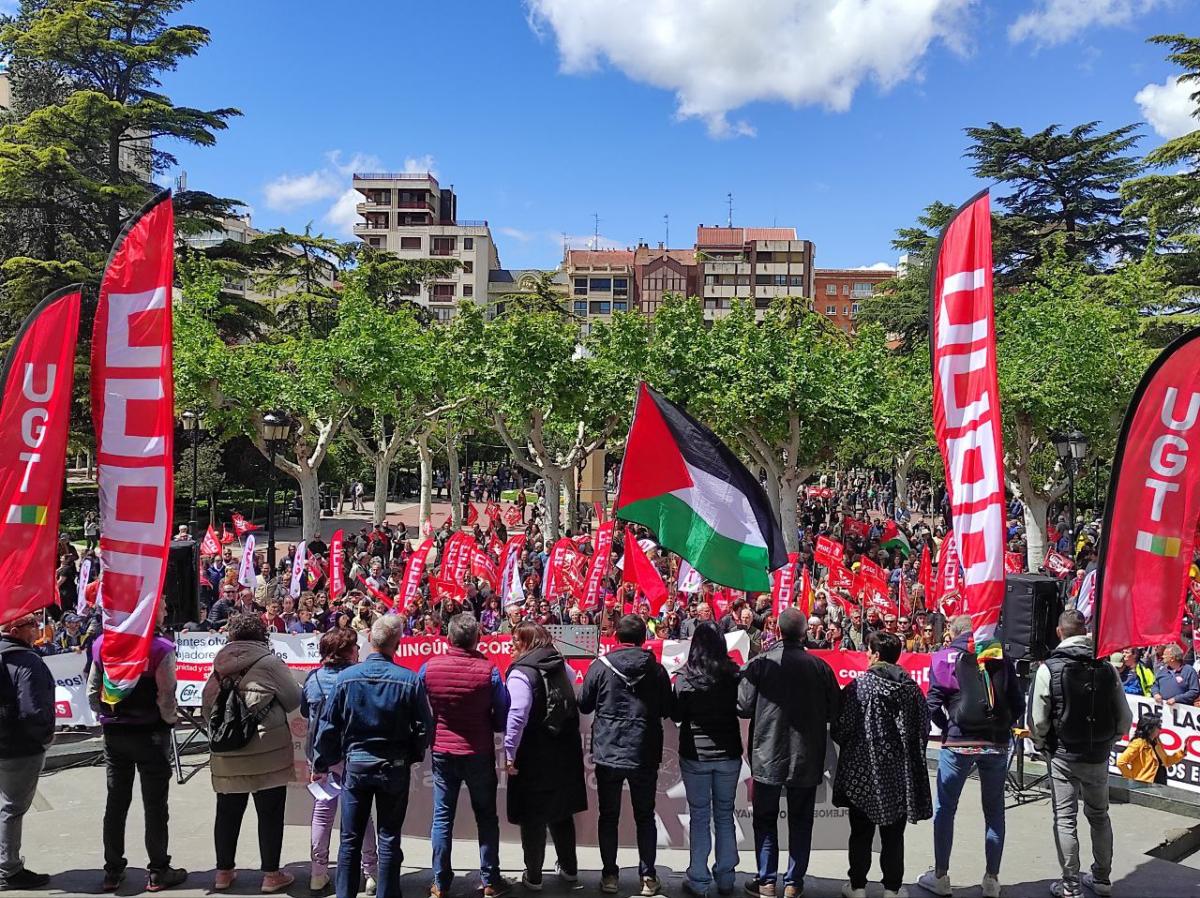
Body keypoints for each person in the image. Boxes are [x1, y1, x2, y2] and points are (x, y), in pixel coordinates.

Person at [314, 615, 432, 898]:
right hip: (393, 766)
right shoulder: (409, 680)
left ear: (369, 642)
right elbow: (425, 728)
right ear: (398, 644)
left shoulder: (346, 678)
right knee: (389, 837)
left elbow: (328, 726)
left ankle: (345, 893)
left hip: (358, 764)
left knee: (350, 838)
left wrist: (325, 761)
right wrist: (411, 755)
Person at [920, 615, 1024, 898]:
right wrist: (1000, 726)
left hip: (958, 742)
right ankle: (992, 879)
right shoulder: (999, 657)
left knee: (945, 809)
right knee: (994, 812)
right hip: (996, 744)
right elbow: (1017, 702)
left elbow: (931, 706)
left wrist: (948, 728)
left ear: (952, 632)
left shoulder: (943, 658)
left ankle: (940, 876)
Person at [738, 607, 839, 898]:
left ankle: (767, 881)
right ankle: (793, 883)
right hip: (806, 757)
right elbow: (835, 709)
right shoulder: (819, 667)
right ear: (805, 632)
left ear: (777, 631)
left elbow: (743, 706)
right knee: (801, 820)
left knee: (765, 820)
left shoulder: (759, 664)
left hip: (767, 754)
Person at [1030, 610, 1132, 898]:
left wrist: (1042, 745)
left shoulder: (1048, 668)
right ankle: (1101, 878)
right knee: (1099, 816)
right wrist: (1109, 741)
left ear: (1060, 632)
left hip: (1062, 754)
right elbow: (1124, 717)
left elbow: (1038, 720)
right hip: (1097, 754)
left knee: (1065, 818)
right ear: (1084, 630)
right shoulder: (1107, 667)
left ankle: (1071, 885)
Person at [87, 605, 187, 893]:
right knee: (155, 805)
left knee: (116, 802)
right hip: (150, 733)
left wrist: (107, 717)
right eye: (163, 607)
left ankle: (113, 871)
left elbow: (92, 691)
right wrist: (169, 720)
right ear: (151, 613)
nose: (167, 611)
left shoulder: (103, 645)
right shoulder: (160, 648)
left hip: (115, 733)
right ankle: (158, 870)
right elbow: (166, 694)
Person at [201, 613, 302, 893]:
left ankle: (223, 872)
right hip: (267, 750)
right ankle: (271, 875)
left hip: (227, 751)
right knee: (269, 813)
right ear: (261, 635)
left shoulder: (219, 663)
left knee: (227, 812)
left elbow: (208, 705)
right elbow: (294, 699)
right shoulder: (269, 662)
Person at [832, 630, 932, 898]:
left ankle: (857, 886)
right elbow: (924, 729)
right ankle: (892, 889)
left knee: (861, 832)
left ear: (875, 655)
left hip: (863, 771)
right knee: (893, 835)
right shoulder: (912, 690)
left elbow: (841, 727)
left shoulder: (860, 686)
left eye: (868, 651)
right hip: (900, 774)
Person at [578, 614, 673, 896]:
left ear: (616, 637)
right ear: (644, 639)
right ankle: (648, 877)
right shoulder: (656, 671)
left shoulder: (600, 666)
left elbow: (583, 705)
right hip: (644, 751)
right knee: (645, 816)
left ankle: (610, 876)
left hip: (609, 751)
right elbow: (668, 707)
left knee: (609, 816)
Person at [419, 614, 510, 898]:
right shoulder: (489, 671)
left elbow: (416, 704)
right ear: (476, 639)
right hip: (478, 751)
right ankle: (490, 879)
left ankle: (440, 883)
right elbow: (504, 711)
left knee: (443, 818)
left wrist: (432, 726)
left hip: (444, 751)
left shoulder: (429, 667)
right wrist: (491, 723)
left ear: (448, 638)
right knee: (486, 816)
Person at [503, 622, 586, 890]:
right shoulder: (563, 665)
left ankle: (534, 876)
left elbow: (517, 715)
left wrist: (509, 752)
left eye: (516, 640)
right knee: (561, 812)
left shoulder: (521, 673)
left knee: (532, 816)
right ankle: (570, 870)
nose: (512, 644)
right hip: (563, 750)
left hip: (533, 753)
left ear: (527, 642)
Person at [302, 629, 378, 895]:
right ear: (346, 652)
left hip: (322, 756)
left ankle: (318, 872)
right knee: (361, 814)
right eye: (355, 647)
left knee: (322, 813)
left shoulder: (313, 679)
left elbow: (305, 711)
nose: (359, 651)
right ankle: (371, 872)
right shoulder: (357, 678)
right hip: (353, 753)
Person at [671, 621, 742, 898]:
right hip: (728, 754)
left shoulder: (685, 677)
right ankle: (725, 878)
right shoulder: (734, 674)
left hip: (695, 754)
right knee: (725, 815)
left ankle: (699, 880)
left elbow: (676, 714)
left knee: (699, 816)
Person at [0, 614, 54, 891]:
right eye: (31, 625)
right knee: (12, 807)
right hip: (19, 747)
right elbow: (33, 710)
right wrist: (45, 737)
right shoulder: (27, 661)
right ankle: (8, 869)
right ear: (14, 630)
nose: (37, 629)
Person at [1116, 712, 1185, 785]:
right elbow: (1121, 762)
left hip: (1160, 785)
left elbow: (1166, 761)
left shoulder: (1157, 742)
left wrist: (1183, 752)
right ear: (1149, 729)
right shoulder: (1138, 743)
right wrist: (1131, 780)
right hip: (1145, 786)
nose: (1160, 729)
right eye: (1158, 726)